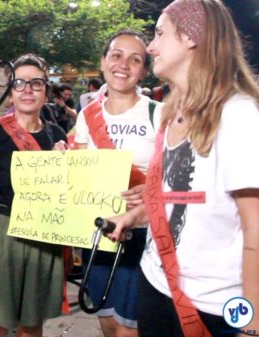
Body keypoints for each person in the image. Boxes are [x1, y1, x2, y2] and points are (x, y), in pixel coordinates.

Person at [107, 1, 259, 336]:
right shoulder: (170, 112)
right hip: (155, 283)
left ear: (190, 37)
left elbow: (256, 232)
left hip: (212, 307)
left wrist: (252, 325)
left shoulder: (239, 115)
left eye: (160, 33)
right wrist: (132, 217)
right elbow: (176, 197)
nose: (151, 46)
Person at [0, 54, 68, 337]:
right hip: (0, 232)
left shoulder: (57, 136)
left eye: (36, 83)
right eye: (20, 83)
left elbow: (62, 196)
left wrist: (64, 166)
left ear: (46, 90)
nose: (28, 89)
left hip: (42, 234)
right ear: (11, 92)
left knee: (31, 324)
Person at [74, 29, 161, 337]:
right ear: (103, 62)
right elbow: (79, 172)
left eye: (135, 59)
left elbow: (176, 177)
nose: (124, 64)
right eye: (116, 55)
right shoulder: (86, 116)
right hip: (99, 236)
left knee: (130, 330)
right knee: (107, 323)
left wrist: (151, 186)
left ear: (144, 70)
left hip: (142, 237)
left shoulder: (158, 114)